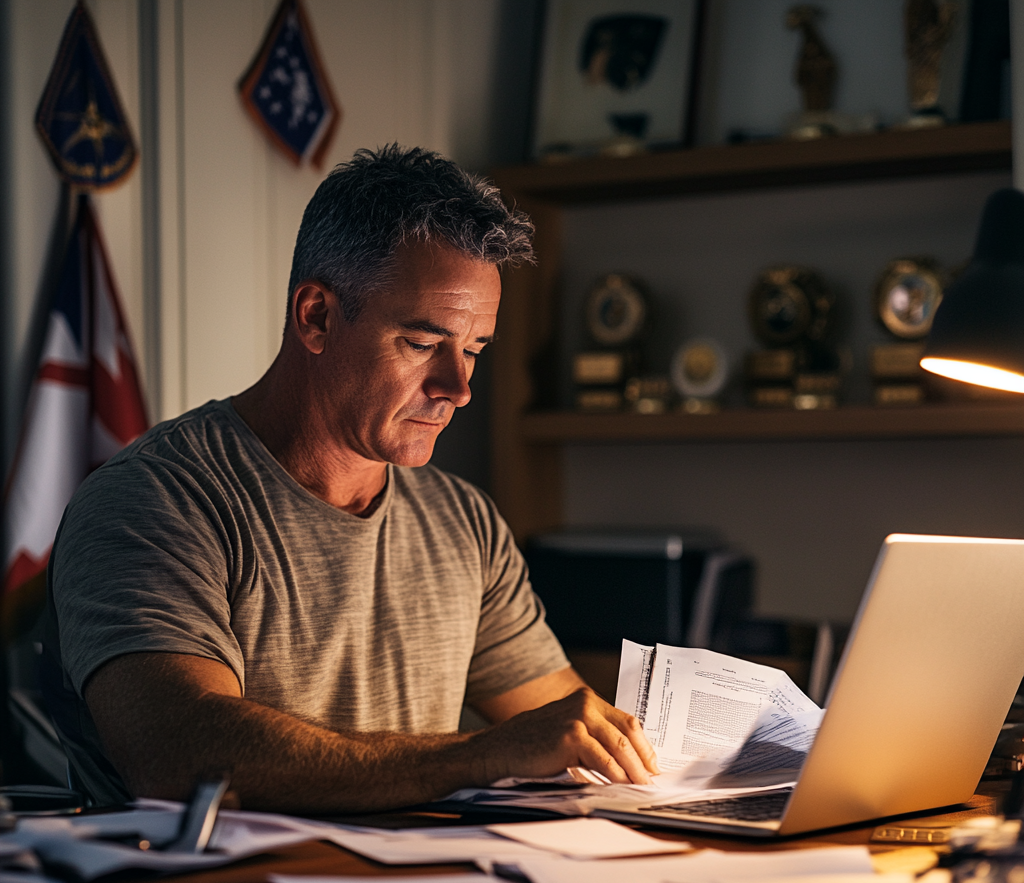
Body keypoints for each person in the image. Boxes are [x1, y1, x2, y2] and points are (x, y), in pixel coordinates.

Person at [41, 145, 656, 813]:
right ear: (317, 317)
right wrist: (479, 754)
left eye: (475, 349)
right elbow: (176, 752)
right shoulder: (154, 501)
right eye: (424, 344)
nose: (460, 387)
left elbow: (565, 727)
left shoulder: (463, 522)